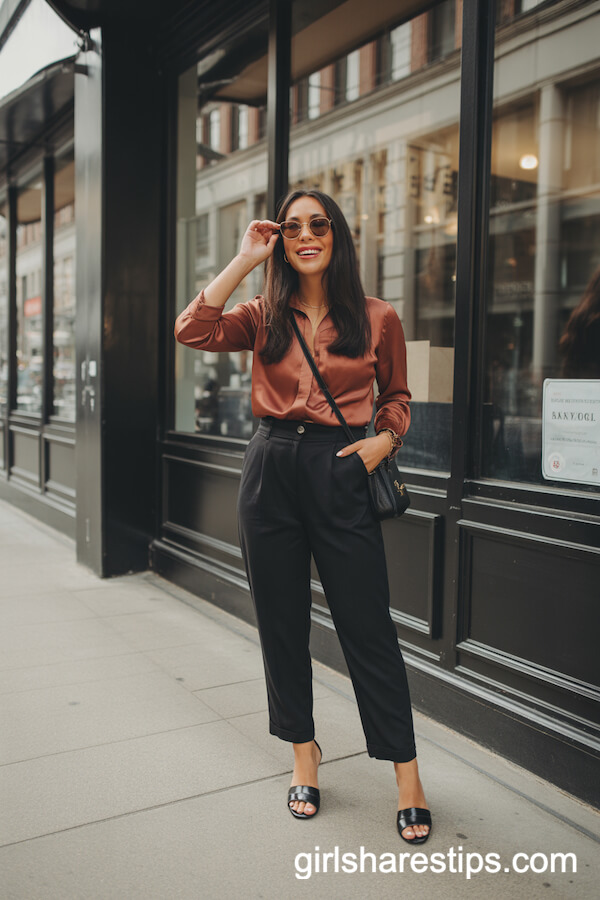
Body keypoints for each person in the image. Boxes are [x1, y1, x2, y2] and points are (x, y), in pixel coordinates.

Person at [174, 189, 431, 843]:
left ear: (338, 235)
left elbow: (397, 394)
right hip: (270, 469)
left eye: (319, 224)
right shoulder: (263, 314)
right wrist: (244, 258)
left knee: (367, 626)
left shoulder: (376, 318)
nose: (306, 234)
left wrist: (384, 440)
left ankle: (407, 775)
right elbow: (192, 329)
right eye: (292, 228)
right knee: (281, 624)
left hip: (341, 466)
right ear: (281, 240)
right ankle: (304, 756)